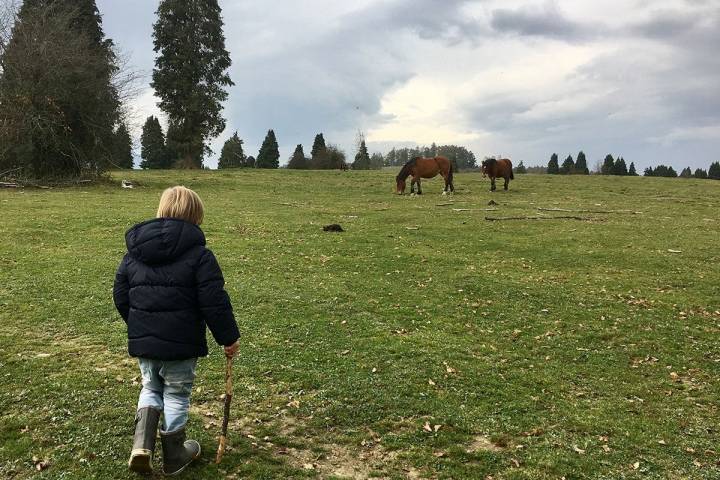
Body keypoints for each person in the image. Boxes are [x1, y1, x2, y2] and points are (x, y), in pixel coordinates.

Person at [113, 186, 240, 475]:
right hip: (181, 345)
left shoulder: (134, 253)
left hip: (146, 342)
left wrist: (139, 323)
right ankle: (174, 455)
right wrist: (228, 337)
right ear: (196, 217)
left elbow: (120, 294)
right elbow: (214, 301)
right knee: (176, 394)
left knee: (150, 387)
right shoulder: (200, 255)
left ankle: (141, 445)